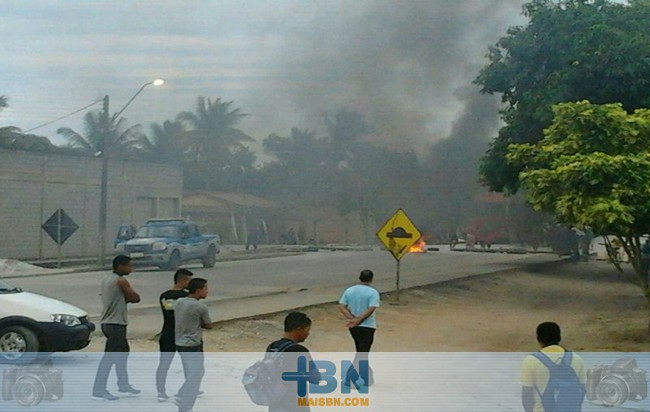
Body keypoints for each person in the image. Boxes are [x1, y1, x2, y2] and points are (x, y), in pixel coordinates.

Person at [92, 255, 141, 401]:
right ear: (120, 266)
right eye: (128, 266)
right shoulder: (121, 280)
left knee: (123, 354)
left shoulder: (107, 278)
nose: (130, 269)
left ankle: (123, 384)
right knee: (110, 357)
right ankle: (99, 390)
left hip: (109, 322)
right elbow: (136, 298)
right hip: (115, 324)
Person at [520, 322, 586, 412]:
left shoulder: (530, 361)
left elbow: (527, 394)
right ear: (559, 338)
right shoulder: (576, 359)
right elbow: (582, 390)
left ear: (538, 339)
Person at [266, 311, 321, 412]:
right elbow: (315, 378)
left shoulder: (272, 347)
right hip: (295, 402)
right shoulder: (299, 350)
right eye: (307, 330)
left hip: (275, 400)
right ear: (299, 329)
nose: (308, 334)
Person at [174, 278, 212, 412]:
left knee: (193, 373)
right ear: (198, 290)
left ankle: (182, 394)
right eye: (205, 289)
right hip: (193, 344)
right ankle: (185, 405)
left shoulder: (179, 302)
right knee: (195, 375)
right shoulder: (200, 307)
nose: (207, 291)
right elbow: (208, 325)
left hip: (179, 342)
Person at [156, 268, 193, 402]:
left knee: (164, 363)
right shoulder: (187, 296)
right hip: (182, 334)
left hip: (167, 333)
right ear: (183, 280)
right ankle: (189, 388)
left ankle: (161, 391)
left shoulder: (164, 295)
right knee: (188, 363)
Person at [338, 269, 380, 386]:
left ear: (359, 277)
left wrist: (351, 318)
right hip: (367, 326)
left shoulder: (349, 290)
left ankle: (369, 377)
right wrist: (358, 320)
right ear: (371, 279)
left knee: (361, 351)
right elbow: (371, 309)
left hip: (353, 327)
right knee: (362, 352)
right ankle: (350, 378)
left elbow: (342, 306)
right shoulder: (373, 292)